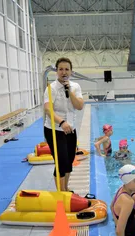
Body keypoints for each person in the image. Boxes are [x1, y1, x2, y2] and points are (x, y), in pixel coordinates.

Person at [44, 57, 84, 191]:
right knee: (60, 162)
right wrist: (61, 122)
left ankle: (66, 189)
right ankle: (60, 193)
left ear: (71, 72)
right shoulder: (51, 88)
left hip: (70, 129)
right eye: (61, 69)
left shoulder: (75, 87)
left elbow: (79, 106)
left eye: (67, 69)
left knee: (69, 161)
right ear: (57, 71)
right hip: (54, 129)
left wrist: (70, 92)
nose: (64, 72)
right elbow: (48, 109)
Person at [111, 165, 135, 236]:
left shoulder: (121, 189)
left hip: (128, 234)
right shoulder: (128, 201)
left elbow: (111, 207)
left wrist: (117, 223)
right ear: (127, 181)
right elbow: (119, 231)